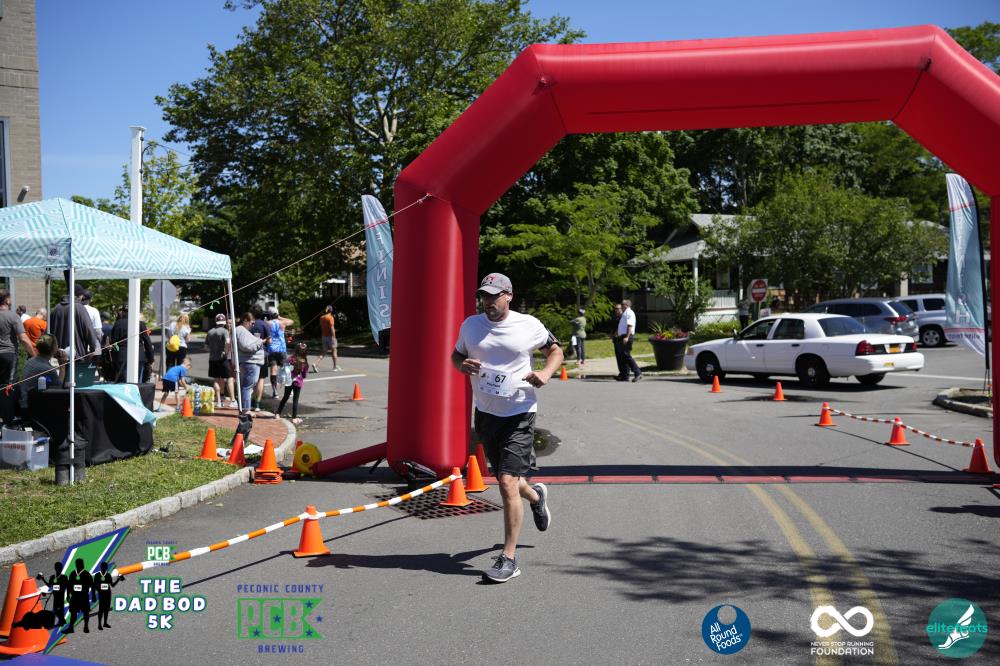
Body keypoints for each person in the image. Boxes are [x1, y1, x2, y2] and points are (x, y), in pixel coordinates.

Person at [452, 272, 562, 583]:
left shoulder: (528, 325)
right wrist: (461, 365)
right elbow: (457, 354)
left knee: (505, 482)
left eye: (494, 296)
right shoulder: (470, 326)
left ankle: (509, 558)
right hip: (486, 413)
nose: (488, 301)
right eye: (484, 296)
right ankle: (536, 497)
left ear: (509, 296)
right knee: (508, 480)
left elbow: (555, 350)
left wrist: (546, 373)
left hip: (519, 412)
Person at [49, 286, 100, 387]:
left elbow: (50, 331)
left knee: (63, 381)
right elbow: (89, 330)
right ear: (79, 295)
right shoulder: (79, 307)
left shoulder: (56, 308)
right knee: (76, 384)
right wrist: (94, 349)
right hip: (77, 354)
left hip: (60, 353)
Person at [0, 289, 37, 424]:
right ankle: (8, 420)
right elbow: (24, 339)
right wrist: (34, 355)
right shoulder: (13, 316)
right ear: (7, 300)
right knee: (8, 386)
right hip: (8, 355)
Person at [19, 334, 63, 412]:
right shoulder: (48, 369)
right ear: (54, 349)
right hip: (32, 409)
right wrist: (63, 366)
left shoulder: (30, 361)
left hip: (24, 404)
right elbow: (59, 389)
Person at [235, 312, 266, 414]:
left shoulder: (241, 330)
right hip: (250, 362)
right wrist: (259, 342)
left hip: (250, 362)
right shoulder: (241, 330)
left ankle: (244, 409)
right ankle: (246, 410)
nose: (253, 326)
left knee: (247, 386)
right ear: (245, 321)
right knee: (247, 386)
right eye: (252, 323)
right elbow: (246, 346)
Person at [206, 314, 237, 408]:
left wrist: (213, 351)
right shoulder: (225, 331)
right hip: (223, 358)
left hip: (212, 359)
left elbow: (206, 347)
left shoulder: (210, 332)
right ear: (224, 322)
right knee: (229, 377)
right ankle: (233, 400)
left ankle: (219, 401)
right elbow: (227, 342)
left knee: (216, 379)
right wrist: (226, 352)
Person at [276, 343, 309, 424]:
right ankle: (294, 417)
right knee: (295, 399)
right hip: (298, 382)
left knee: (285, 397)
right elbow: (304, 375)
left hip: (289, 380)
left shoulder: (291, 359)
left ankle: (277, 413)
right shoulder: (304, 362)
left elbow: (285, 367)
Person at [266, 308, 294, 399]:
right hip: (282, 349)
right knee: (286, 370)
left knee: (273, 371)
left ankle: (275, 392)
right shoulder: (282, 323)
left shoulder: (267, 323)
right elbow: (291, 321)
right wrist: (280, 317)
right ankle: (289, 391)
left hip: (271, 349)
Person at [250, 307, 271, 411]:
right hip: (263, 354)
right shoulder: (264, 324)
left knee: (252, 378)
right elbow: (270, 341)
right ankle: (258, 403)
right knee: (261, 379)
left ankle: (251, 401)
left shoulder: (250, 324)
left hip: (250, 354)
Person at [64, 558, 92, 634]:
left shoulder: (86, 574)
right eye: (79, 564)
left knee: (85, 612)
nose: (81, 565)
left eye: (81, 564)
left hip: (83, 597)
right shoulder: (73, 574)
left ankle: (86, 626)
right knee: (73, 613)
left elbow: (91, 585)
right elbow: (69, 585)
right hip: (75, 597)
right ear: (77, 565)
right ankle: (71, 628)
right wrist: (68, 595)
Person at [616, 298, 642, 382]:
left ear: (626, 305)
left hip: (627, 336)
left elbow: (629, 326)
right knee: (623, 356)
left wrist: (627, 337)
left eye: (622, 304)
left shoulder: (629, 313)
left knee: (626, 355)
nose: (621, 306)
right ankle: (624, 375)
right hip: (622, 336)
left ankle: (638, 372)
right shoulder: (625, 313)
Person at [36, 562, 69, 626]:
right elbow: (50, 586)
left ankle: (62, 621)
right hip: (56, 596)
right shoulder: (53, 577)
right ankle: (62, 621)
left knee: (59, 610)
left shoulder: (64, 577)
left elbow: (66, 586)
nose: (58, 569)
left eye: (59, 568)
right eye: (58, 568)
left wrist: (67, 595)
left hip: (60, 596)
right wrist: (43, 579)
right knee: (56, 610)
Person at [92, 562, 123, 630]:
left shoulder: (108, 575)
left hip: (108, 594)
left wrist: (118, 579)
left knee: (106, 609)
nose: (104, 568)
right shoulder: (97, 575)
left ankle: (105, 623)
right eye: (103, 567)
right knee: (101, 609)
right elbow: (94, 586)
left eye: (104, 567)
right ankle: (99, 624)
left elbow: (112, 585)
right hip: (101, 594)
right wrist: (94, 595)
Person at [313, 305, 342, 372]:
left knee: (324, 352)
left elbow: (322, 326)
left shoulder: (321, 318)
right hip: (330, 337)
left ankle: (315, 363)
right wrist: (334, 337)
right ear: (331, 310)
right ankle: (335, 367)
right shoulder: (330, 318)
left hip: (324, 336)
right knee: (334, 351)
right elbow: (332, 328)